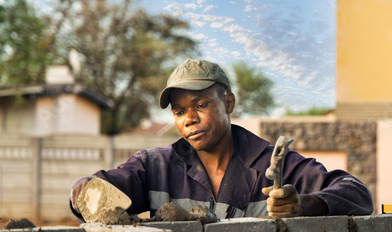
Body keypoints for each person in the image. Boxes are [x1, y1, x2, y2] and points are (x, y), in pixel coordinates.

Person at [70, 59, 373, 222]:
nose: (189, 119)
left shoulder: (273, 166)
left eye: (201, 105)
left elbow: (358, 195)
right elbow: (105, 188)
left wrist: (302, 205)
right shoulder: (155, 166)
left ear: (228, 102)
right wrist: (84, 187)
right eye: (179, 111)